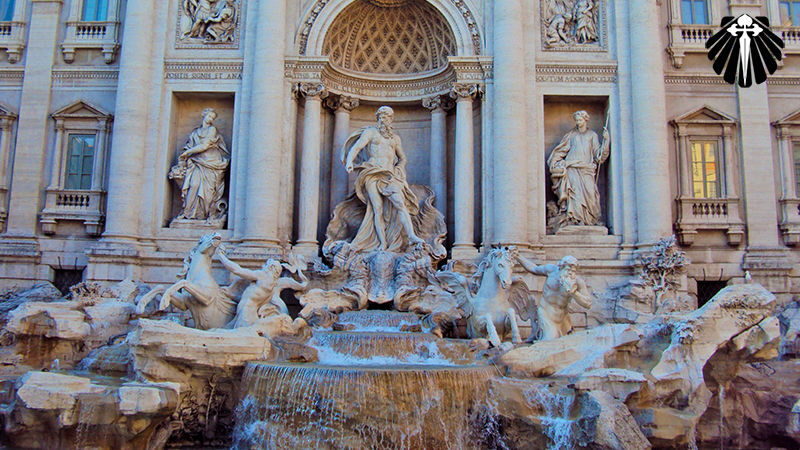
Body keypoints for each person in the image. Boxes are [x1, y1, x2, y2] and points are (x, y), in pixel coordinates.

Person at [341, 106, 424, 252]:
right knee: (377, 208)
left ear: (391, 119)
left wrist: (400, 168)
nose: (382, 119)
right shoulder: (370, 132)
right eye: (380, 116)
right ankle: (382, 243)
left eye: (385, 116)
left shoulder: (395, 138)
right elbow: (356, 147)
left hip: (389, 174)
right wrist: (349, 162)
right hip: (372, 173)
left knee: (400, 204)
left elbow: (402, 157)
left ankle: (411, 235)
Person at [216, 245, 308, 328]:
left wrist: (221, 256)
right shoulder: (270, 287)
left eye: (266, 264)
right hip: (246, 314)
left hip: (245, 314)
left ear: (271, 268)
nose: (262, 265)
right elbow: (250, 297)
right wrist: (231, 295)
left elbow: (237, 270)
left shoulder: (263, 276)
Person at [547, 110, 610, 231]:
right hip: (572, 169)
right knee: (574, 195)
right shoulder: (571, 135)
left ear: (586, 120)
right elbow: (561, 151)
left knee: (591, 194)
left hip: (587, 169)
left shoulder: (592, 135)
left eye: (580, 120)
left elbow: (599, 156)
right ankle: (574, 220)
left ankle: (591, 220)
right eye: (576, 120)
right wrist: (555, 162)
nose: (578, 122)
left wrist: (606, 141)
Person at [170, 108, 230, 221]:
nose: (210, 119)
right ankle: (188, 212)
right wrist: (186, 153)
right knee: (193, 185)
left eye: (212, 118)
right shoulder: (195, 132)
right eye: (209, 116)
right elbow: (189, 145)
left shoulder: (212, 130)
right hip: (197, 162)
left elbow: (204, 146)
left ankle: (203, 214)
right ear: (204, 115)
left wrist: (187, 152)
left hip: (210, 162)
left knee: (208, 190)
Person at [517, 254, 593, 341]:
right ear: (561, 268)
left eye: (573, 271)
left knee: (569, 343)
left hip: (563, 318)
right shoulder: (551, 270)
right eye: (568, 270)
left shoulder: (578, 282)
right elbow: (533, 269)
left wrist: (574, 293)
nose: (570, 274)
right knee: (551, 339)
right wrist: (518, 256)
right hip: (546, 314)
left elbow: (588, 303)